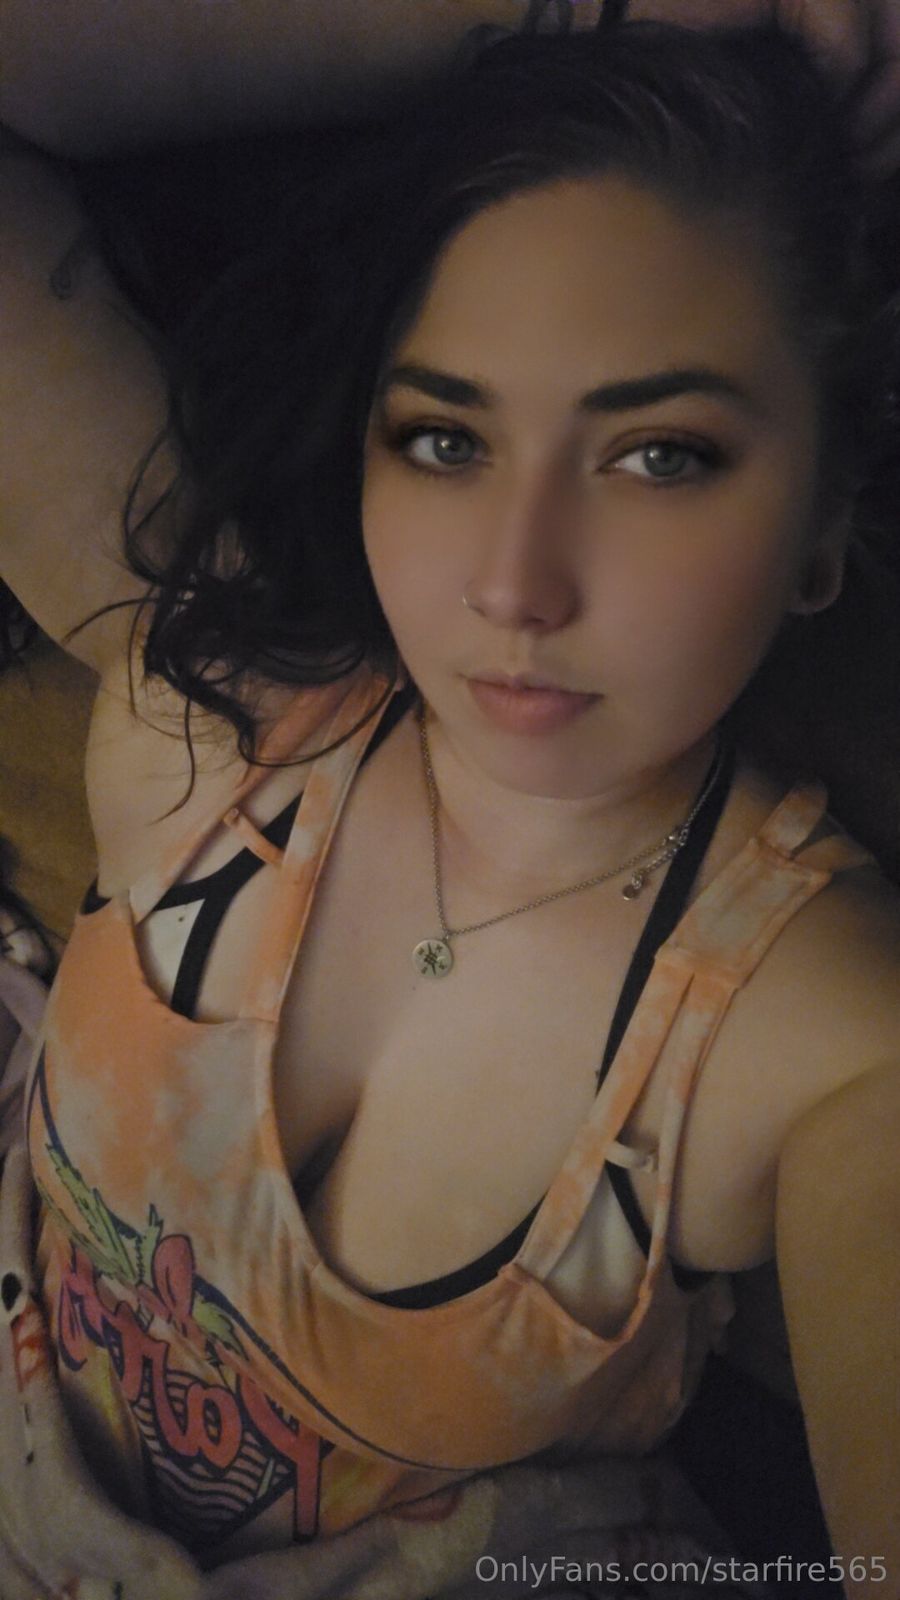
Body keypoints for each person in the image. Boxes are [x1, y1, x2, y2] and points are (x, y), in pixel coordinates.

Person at [0, 3, 899, 1597]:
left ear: (825, 518)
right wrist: (585, 10)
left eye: (660, 456)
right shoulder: (216, 700)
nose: (513, 586)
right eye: (443, 437)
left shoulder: (817, 1037)